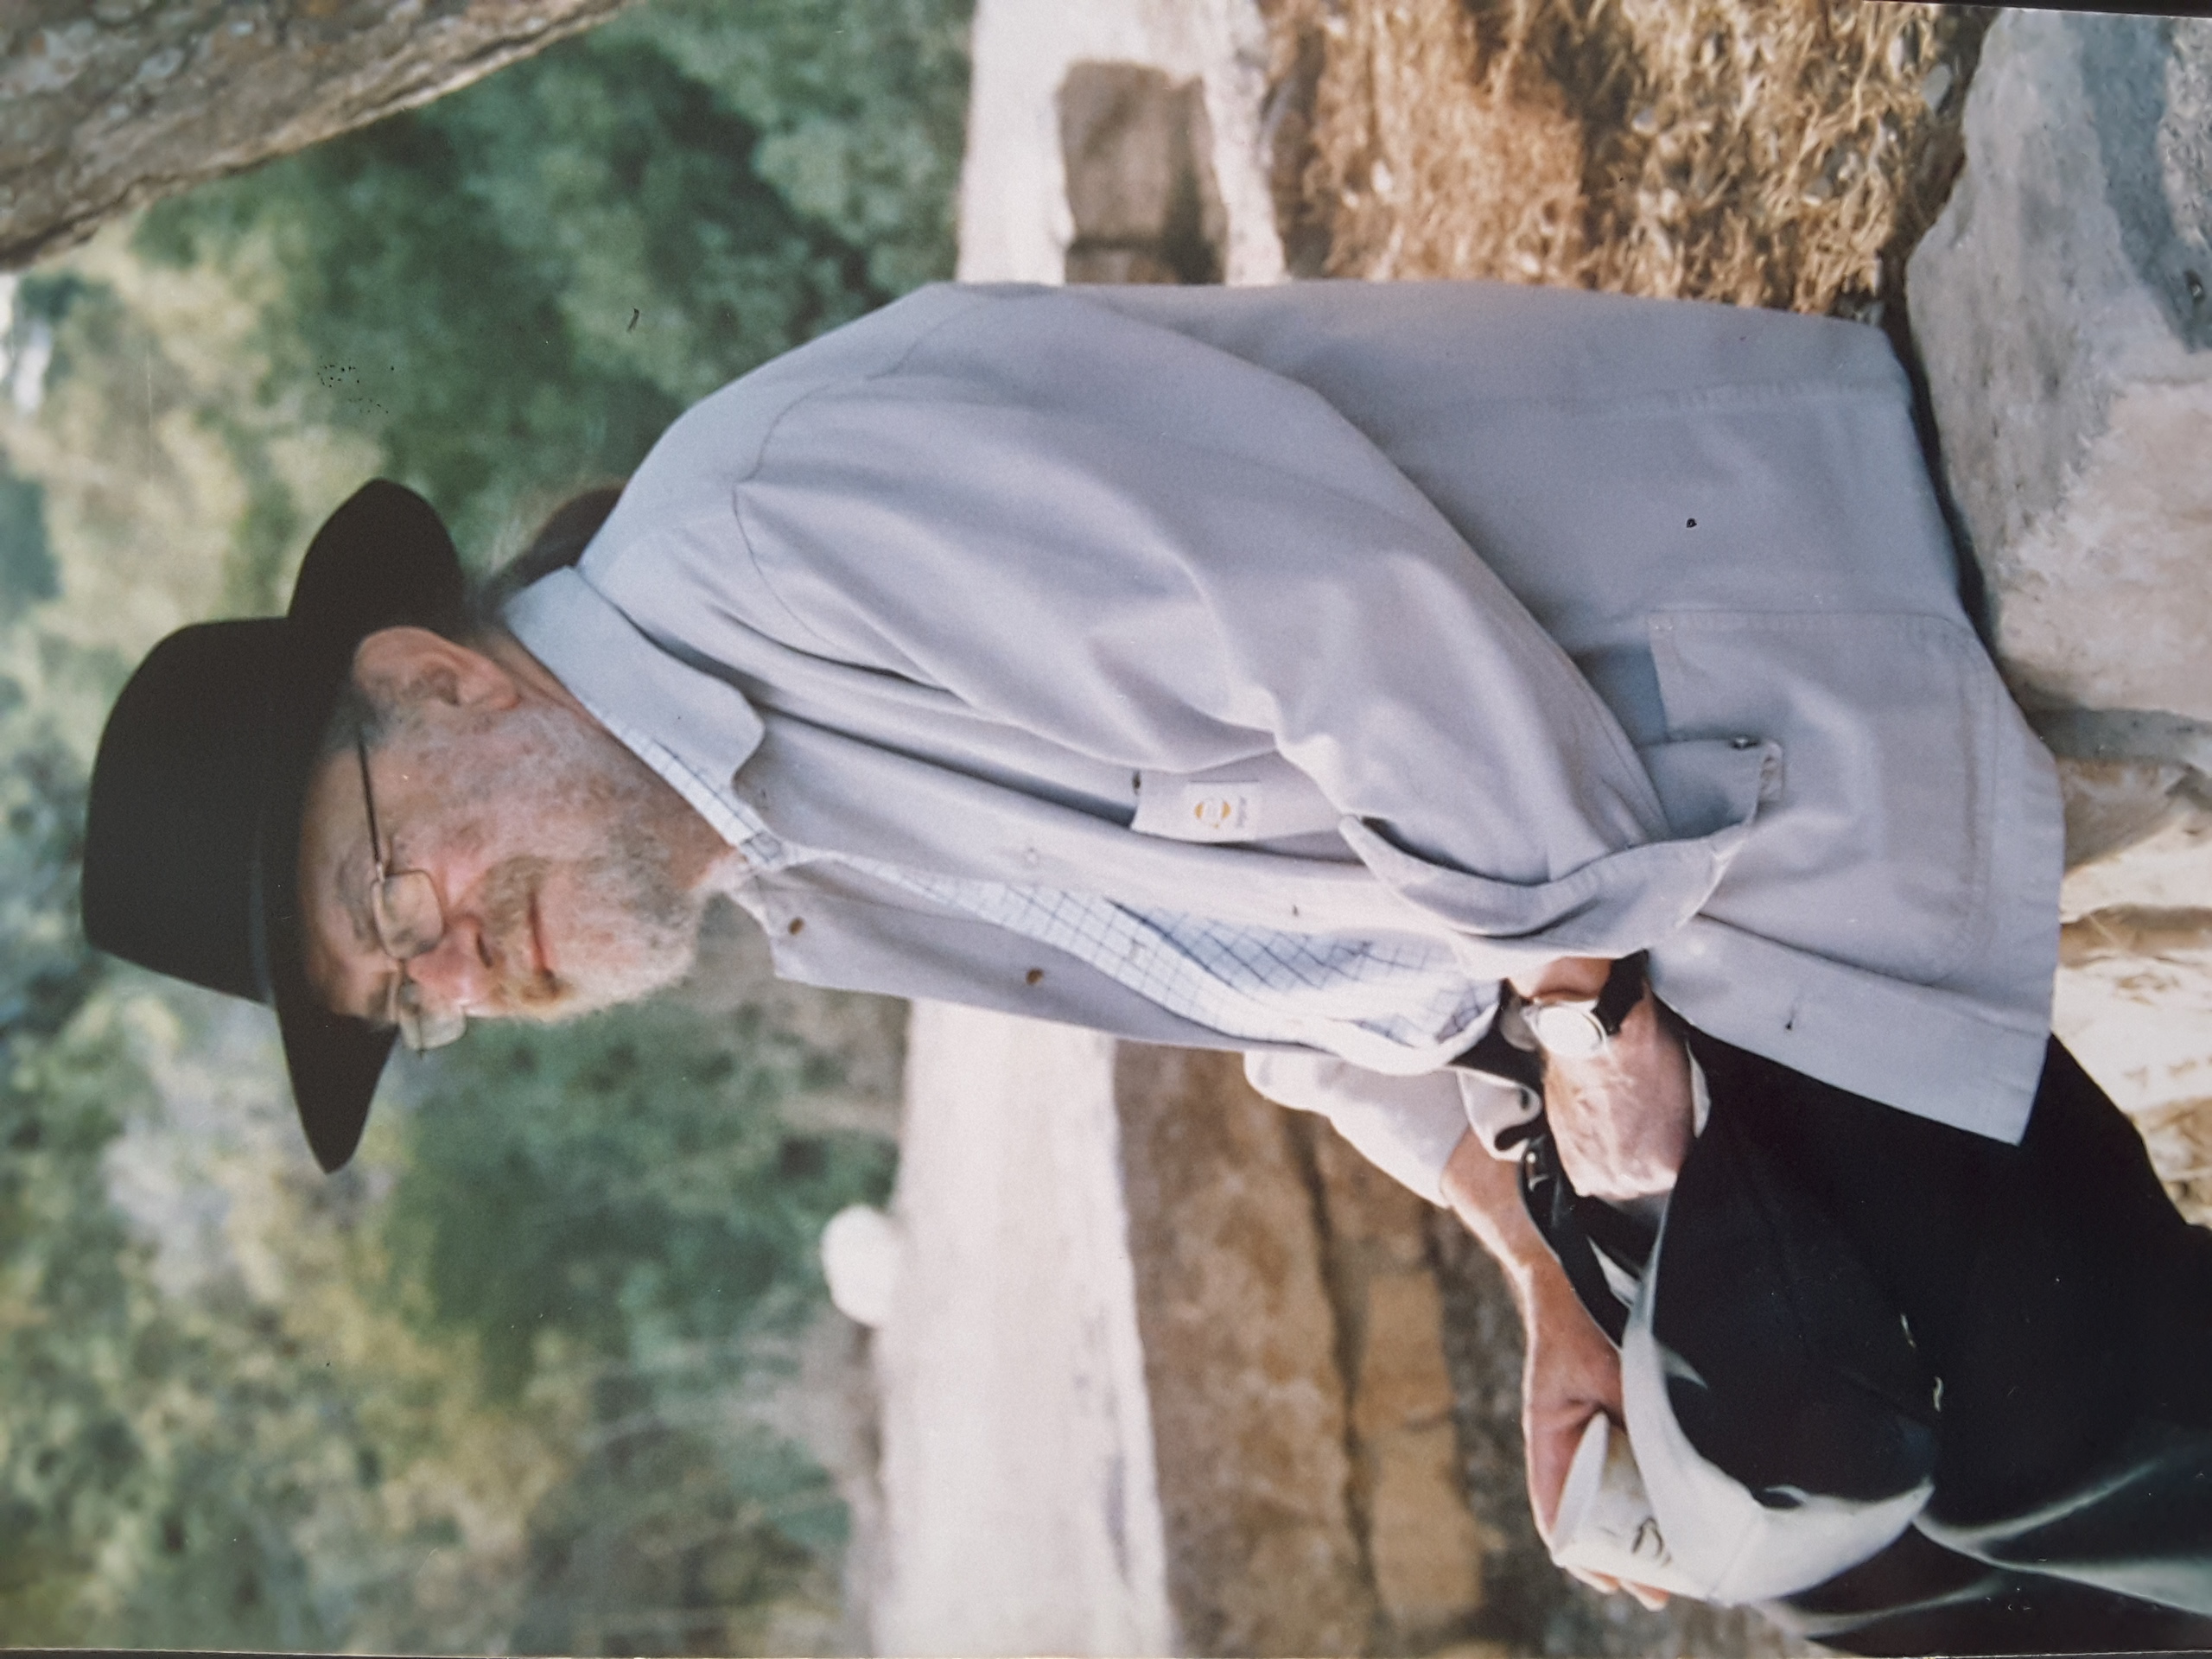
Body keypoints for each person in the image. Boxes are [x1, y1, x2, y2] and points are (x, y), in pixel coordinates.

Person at [82, 279, 2212, 1650]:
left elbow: (1348, 628)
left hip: (1698, 750)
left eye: (391, 897)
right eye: (411, 1001)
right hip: (1580, 969)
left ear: (428, 685)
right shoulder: (770, 858)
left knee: (2021, 1445)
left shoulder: (769, 525)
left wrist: (1584, 1017)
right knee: (1815, 1557)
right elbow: (1278, 995)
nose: (457, 962)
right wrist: (1534, 1259)